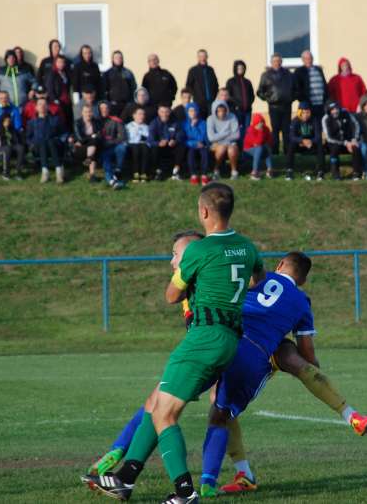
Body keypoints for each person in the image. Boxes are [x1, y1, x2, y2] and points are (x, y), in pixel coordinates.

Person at [86, 235, 367, 496]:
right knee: (219, 411)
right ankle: (215, 480)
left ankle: (145, 469)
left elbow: (177, 297)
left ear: (282, 264)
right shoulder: (300, 300)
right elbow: (309, 355)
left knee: (165, 402)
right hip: (250, 351)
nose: (174, 261)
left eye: (175, 256)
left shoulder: (224, 279)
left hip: (222, 338)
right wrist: (292, 353)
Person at [84, 183, 265, 504]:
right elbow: (256, 281)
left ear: (204, 211)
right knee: (156, 403)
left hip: (204, 338)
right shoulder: (248, 247)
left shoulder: (199, 251)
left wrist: (187, 273)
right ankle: (124, 479)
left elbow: (171, 295)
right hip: (228, 340)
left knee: (164, 415)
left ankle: (184, 492)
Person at [256, 53, 293, 155]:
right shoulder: (266, 75)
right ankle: (275, 152)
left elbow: (294, 88)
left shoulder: (288, 74)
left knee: (286, 130)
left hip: (286, 106)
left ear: (281, 62)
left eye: (278, 61)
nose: (277, 63)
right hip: (274, 107)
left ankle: (287, 152)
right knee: (275, 130)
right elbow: (259, 92)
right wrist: (268, 98)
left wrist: (291, 98)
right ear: (271, 62)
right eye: (274, 61)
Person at [26, 97, 65, 184]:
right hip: (38, 148)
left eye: (44, 104)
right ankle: (47, 171)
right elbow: (28, 138)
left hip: (54, 146)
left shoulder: (56, 120)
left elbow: (63, 133)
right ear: (36, 107)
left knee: (50, 141)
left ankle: (57, 172)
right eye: (40, 104)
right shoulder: (31, 122)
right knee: (43, 142)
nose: (42, 106)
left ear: (48, 106)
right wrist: (32, 144)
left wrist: (62, 140)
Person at [322, 101, 362, 181]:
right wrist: (345, 143)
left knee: (356, 148)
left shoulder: (346, 113)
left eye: (336, 109)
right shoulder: (325, 118)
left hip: (349, 140)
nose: (335, 111)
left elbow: (356, 125)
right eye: (332, 110)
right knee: (334, 150)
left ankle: (356, 173)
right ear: (329, 111)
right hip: (334, 142)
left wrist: (354, 139)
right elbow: (329, 137)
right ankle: (335, 174)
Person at [286, 102, 324, 181]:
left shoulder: (314, 120)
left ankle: (320, 171)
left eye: (307, 112)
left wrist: (310, 141)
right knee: (290, 145)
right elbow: (291, 136)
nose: (305, 115)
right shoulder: (295, 121)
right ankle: (289, 170)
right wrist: (302, 141)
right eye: (303, 112)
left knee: (320, 146)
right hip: (299, 145)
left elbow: (318, 137)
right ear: (299, 112)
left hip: (311, 144)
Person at [149, 103, 184, 181]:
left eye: (166, 111)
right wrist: (158, 143)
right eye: (162, 112)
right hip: (160, 147)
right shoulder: (154, 123)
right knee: (154, 148)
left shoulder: (175, 122)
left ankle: (176, 172)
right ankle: (158, 172)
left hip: (171, 146)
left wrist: (175, 140)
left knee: (181, 146)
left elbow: (180, 134)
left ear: (170, 111)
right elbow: (150, 140)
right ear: (158, 112)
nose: (164, 114)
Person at [207, 100, 240, 180]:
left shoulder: (232, 117)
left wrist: (223, 139)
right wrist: (227, 133)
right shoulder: (210, 119)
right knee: (221, 149)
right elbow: (211, 137)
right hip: (216, 144)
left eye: (223, 110)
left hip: (230, 143)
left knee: (231, 150)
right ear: (215, 111)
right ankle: (216, 170)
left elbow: (237, 135)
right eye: (218, 111)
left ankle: (234, 171)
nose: (221, 113)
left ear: (226, 110)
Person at [68, 103, 102, 182]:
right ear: (82, 113)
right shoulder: (77, 123)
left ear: (92, 113)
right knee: (93, 142)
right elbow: (80, 139)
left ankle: (91, 169)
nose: (88, 114)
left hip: (92, 147)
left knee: (94, 144)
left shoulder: (96, 122)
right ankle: (92, 174)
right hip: (80, 148)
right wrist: (92, 137)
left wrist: (92, 138)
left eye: (89, 112)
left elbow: (99, 135)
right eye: (86, 112)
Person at [292, 50, 327, 124]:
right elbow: (296, 88)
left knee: (319, 125)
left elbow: (324, 84)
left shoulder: (318, 69)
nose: (309, 60)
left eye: (310, 58)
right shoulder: (299, 71)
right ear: (303, 60)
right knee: (309, 126)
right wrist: (303, 101)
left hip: (320, 104)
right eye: (306, 58)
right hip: (308, 105)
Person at [0, 111, 26, 181]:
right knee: (7, 148)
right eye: (5, 121)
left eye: (9, 120)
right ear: (2, 121)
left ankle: (18, 172)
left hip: (11, 149)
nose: (7, 122)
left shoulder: (13, 130)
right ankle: (6, 173)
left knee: (20, 148)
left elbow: (20, 140)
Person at [100, 101, 128, 189]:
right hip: (101, 148)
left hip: (114, 146)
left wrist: (111, 142)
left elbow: (123, 136)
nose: (104, 110)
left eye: (106, 108)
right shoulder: (96, 121)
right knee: (106, 160)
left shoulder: (115, 120)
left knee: (122, 148)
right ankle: (111, 180)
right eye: (102, 108)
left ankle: (118, 170)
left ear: (109, 109)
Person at [102, 50, 137, 118]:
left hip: (127, 105)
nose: (118, 59)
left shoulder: (128, 73)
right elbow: (104, 90)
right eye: (116, 57)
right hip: (113, 105)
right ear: (112, 59)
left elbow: (133, 88)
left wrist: (131, 102)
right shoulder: (107, 74)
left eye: (120, 57)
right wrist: (108, 102)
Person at [225, 60, 255, 139]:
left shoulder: (247, 82)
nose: (240, 70)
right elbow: (228, 96)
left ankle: (246, 147)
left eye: (242, 68)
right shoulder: (231, 81)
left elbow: (252, 95)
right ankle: (238, 147)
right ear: (235, 69)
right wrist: (236, 105)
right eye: (238, 68)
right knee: (237, 130)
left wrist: (249, 104)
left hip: (248, 111)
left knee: (247, 130)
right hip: (236, 110)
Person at [185, 49, 218, 118]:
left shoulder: (210, 70)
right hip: (199, 102)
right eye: (200, 56)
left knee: (211, 120)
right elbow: (188, 85)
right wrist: (196, 95)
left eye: (204, 56)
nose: (202, 58)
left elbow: (215, 84)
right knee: (201, 119)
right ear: (198, 57)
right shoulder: (193, 70)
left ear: (207, 57)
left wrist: (214, 96)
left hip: (211, 102)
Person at [182, 102, 209, 185]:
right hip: (190, 145)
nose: (192, 113)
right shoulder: (184, 124)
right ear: (187, 112)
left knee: (204, 154)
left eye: (194, 111)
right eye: (190, 111)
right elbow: (184, 138)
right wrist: (194, 143)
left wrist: (194, 127)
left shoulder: (203, 123)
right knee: (190, 155)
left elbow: (202, 137)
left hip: (201, 144)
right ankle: (193, 175)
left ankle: (204, 174)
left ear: (197, 111)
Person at [243, 113, 273, 181]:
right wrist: (260, 131)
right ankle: (254, 172)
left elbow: (269, 140)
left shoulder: (266, 129)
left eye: (262, 122)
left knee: (266, 147)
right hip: (248, 149)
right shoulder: (251, 129)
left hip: (261, 148)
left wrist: (267, 144)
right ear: (255, 123)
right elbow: (257, 143)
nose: (261, 124)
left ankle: (269, 170)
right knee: (259, 148)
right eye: (259, 122)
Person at [45, 55, 72, 130]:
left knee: (68, 120)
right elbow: (49, 88)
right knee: (60, 120)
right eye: (59, 62)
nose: (61, 64)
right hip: (58, 101)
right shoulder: (52, 74)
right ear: (55, 63)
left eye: (63, 62)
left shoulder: (65, 73)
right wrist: (55, 99)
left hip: (67, 101)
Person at [125, 107, 151, 182]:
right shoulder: (128, 126)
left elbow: (149, 139)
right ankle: (135, 173)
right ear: (134, 115)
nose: (142, 116)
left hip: (144, 146)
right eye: (139, 114)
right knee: (136, 149)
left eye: (143, 114)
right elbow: (126, 138)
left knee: (145, 148)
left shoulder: (147, 127)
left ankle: (143, 173)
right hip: (132, 145)